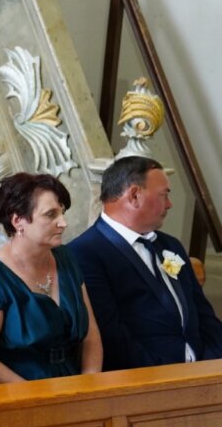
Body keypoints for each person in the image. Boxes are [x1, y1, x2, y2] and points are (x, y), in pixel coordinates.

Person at [70, 156, 222, 370]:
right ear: (134, 196)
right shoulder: (85, 252)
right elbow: (110, 333)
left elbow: (203, 312)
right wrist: (159, 373)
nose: (169, 204)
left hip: (203, 368)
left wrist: (213, 359)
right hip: (144, 374)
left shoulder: (171, 245)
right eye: (164, 195)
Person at [0, 173, 101, 383]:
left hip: (73, 383)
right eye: (50, 214)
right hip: (16, 389)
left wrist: (90, 383)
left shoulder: (66, 258)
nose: (63, 223)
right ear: (18, 221)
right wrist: (38, 396)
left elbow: (91, 335)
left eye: (62, 212)